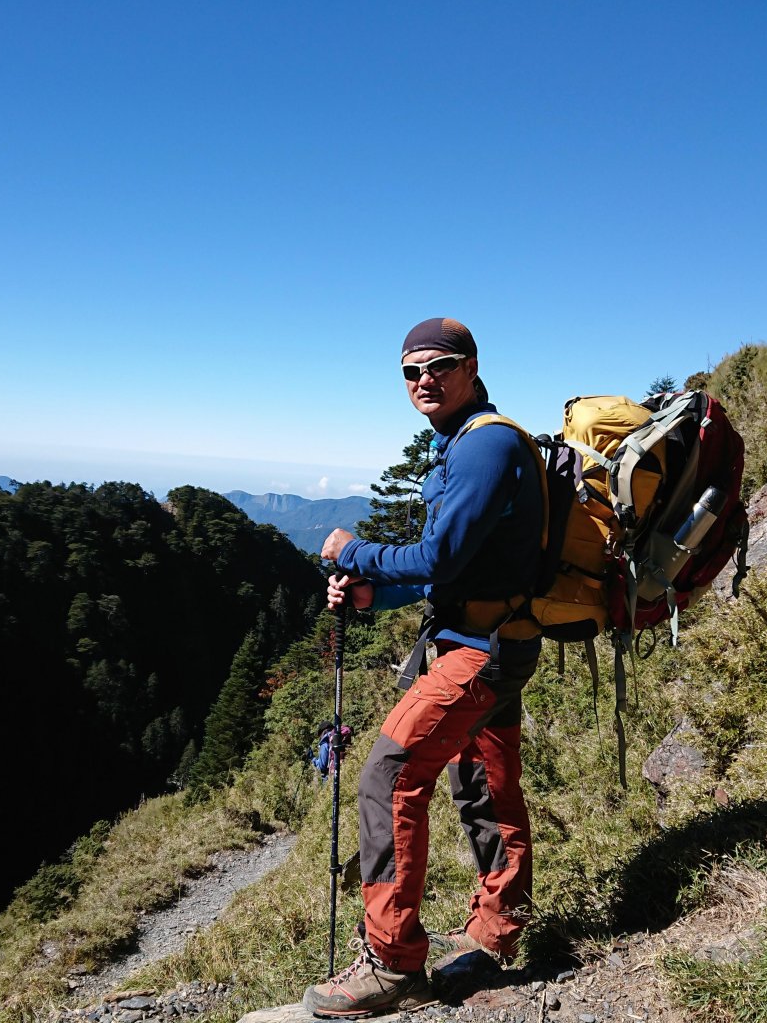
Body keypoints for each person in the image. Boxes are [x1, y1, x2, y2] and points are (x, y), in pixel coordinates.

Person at [302, 317, 544, 1018]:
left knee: (388, 773)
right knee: (486, 789)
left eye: (439, 366)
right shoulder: (468, 443)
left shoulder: (486, 446)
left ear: (472, 367)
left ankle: (393, 963)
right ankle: (497, 933)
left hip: (480, 653)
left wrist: (352, 552)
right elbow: (455, 569)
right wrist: (379, 591)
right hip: (494, 640)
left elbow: (437, 558)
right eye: (410, 372)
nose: (423, 382)